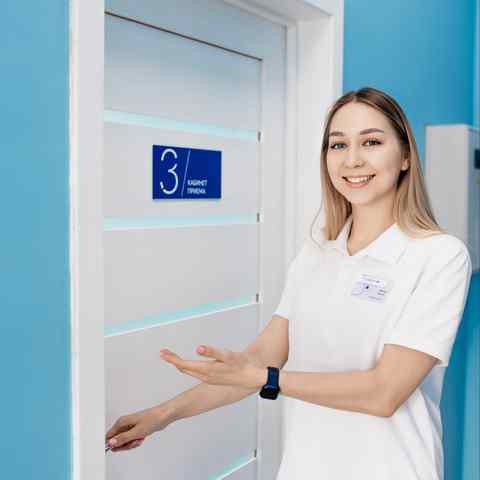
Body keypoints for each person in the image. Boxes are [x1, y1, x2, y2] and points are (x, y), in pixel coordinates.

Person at [105, 87, 472, 479]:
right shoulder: (316, 254)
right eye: (338, 145)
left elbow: (384, 393)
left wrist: (267, 379)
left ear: (405, 156)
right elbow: (259, 362)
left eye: (371, 142)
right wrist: (162, 415)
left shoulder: (439, 256)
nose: (352, 159)